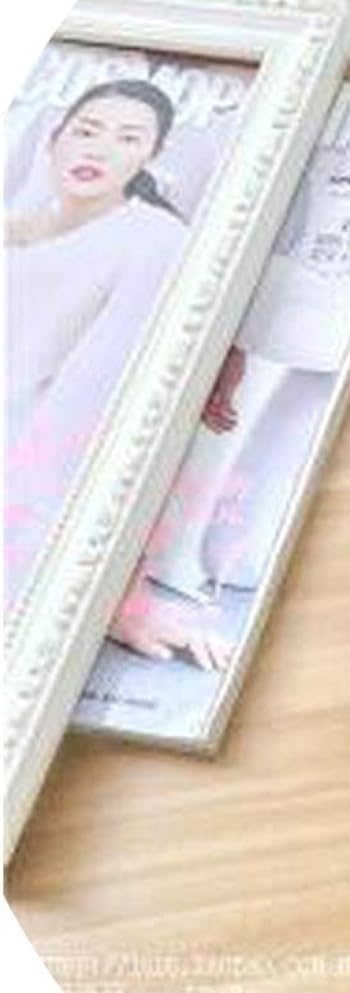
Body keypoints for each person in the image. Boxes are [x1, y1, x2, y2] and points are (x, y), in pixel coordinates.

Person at [4, 78, 230, 669]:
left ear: (151, 156)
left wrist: (102, 587)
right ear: (53, 139)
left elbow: (83, 412)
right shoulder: (14, 226)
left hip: (27, 476)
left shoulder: (152, 239)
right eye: (85, 131)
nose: (98, 150)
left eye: (128, 139)